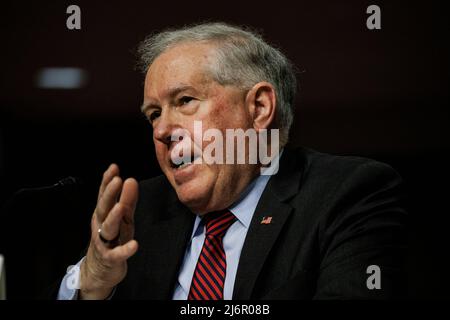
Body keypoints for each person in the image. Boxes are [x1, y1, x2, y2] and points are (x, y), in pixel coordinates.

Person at [57, 22, 406, 300]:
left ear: (259, 108)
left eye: (185, 100)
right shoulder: (138, 214)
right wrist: (92, 285)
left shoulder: (346, 193)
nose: (162, 130)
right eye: (153, 114)